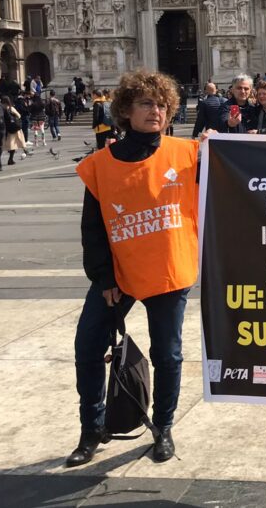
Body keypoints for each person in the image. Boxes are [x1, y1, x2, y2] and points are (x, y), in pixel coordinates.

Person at [69, 70, 199, 468]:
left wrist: (223, 146)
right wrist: (104, 278)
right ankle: (92, 430)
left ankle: (163, 427)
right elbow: (92, 228)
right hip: (119, 275)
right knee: (88, 347)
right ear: (125, 110)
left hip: (168, 271)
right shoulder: (100, 165)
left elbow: (244, 172)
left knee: (168, 355)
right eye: (145, 103)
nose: (155, 111)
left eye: (161, 104)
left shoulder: (189, 153)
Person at [1, 96, 27, 165]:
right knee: (13, 145)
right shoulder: (11, 108)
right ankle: (10, 159)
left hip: (6, 129)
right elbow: (19, 116)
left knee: (3, 145)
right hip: (13, 128)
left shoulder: (1, 109)